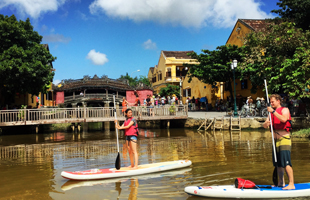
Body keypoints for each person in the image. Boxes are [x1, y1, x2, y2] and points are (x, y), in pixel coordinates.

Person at [263, 94, 294, 190]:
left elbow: (284, 119)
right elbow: (265, 125)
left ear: (278, 101)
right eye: (270, 102)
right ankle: (281, 182)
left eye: (272, 101)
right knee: (278, 163)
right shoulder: (270, 113)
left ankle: (291, 184)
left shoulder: (285, 110)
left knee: (286, 162)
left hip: (284, 139)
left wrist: (273, 111)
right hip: (275, 140)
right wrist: (266, 124)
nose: (271, 103)